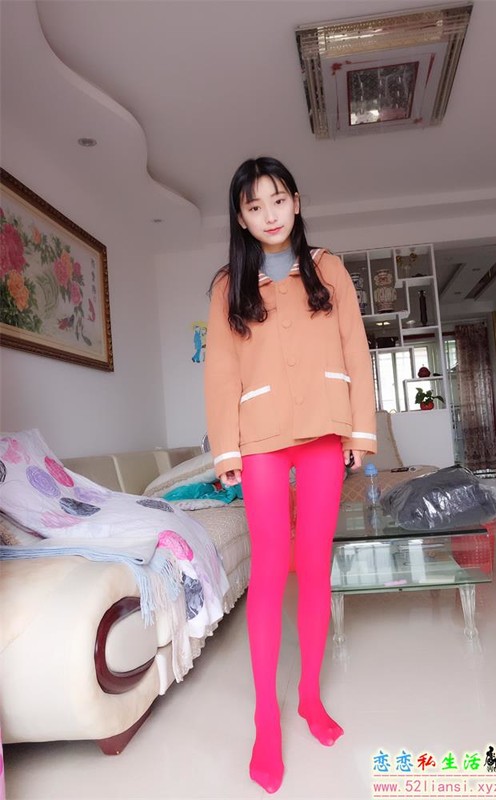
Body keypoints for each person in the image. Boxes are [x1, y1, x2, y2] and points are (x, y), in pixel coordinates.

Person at [204, 156, 376, 794]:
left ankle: (308, 697)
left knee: (315, 565)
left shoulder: (330, 269)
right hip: (261, 440)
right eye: (255, 206)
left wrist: (361, 432)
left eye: (278, 200)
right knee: (271, 569)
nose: (269, 215)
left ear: (296, 202)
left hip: (326, 433)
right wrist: (226, 451)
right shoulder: (228, 286)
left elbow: (356, 348)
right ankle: (266, 720)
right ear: (241, 218)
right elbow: (220, 371)